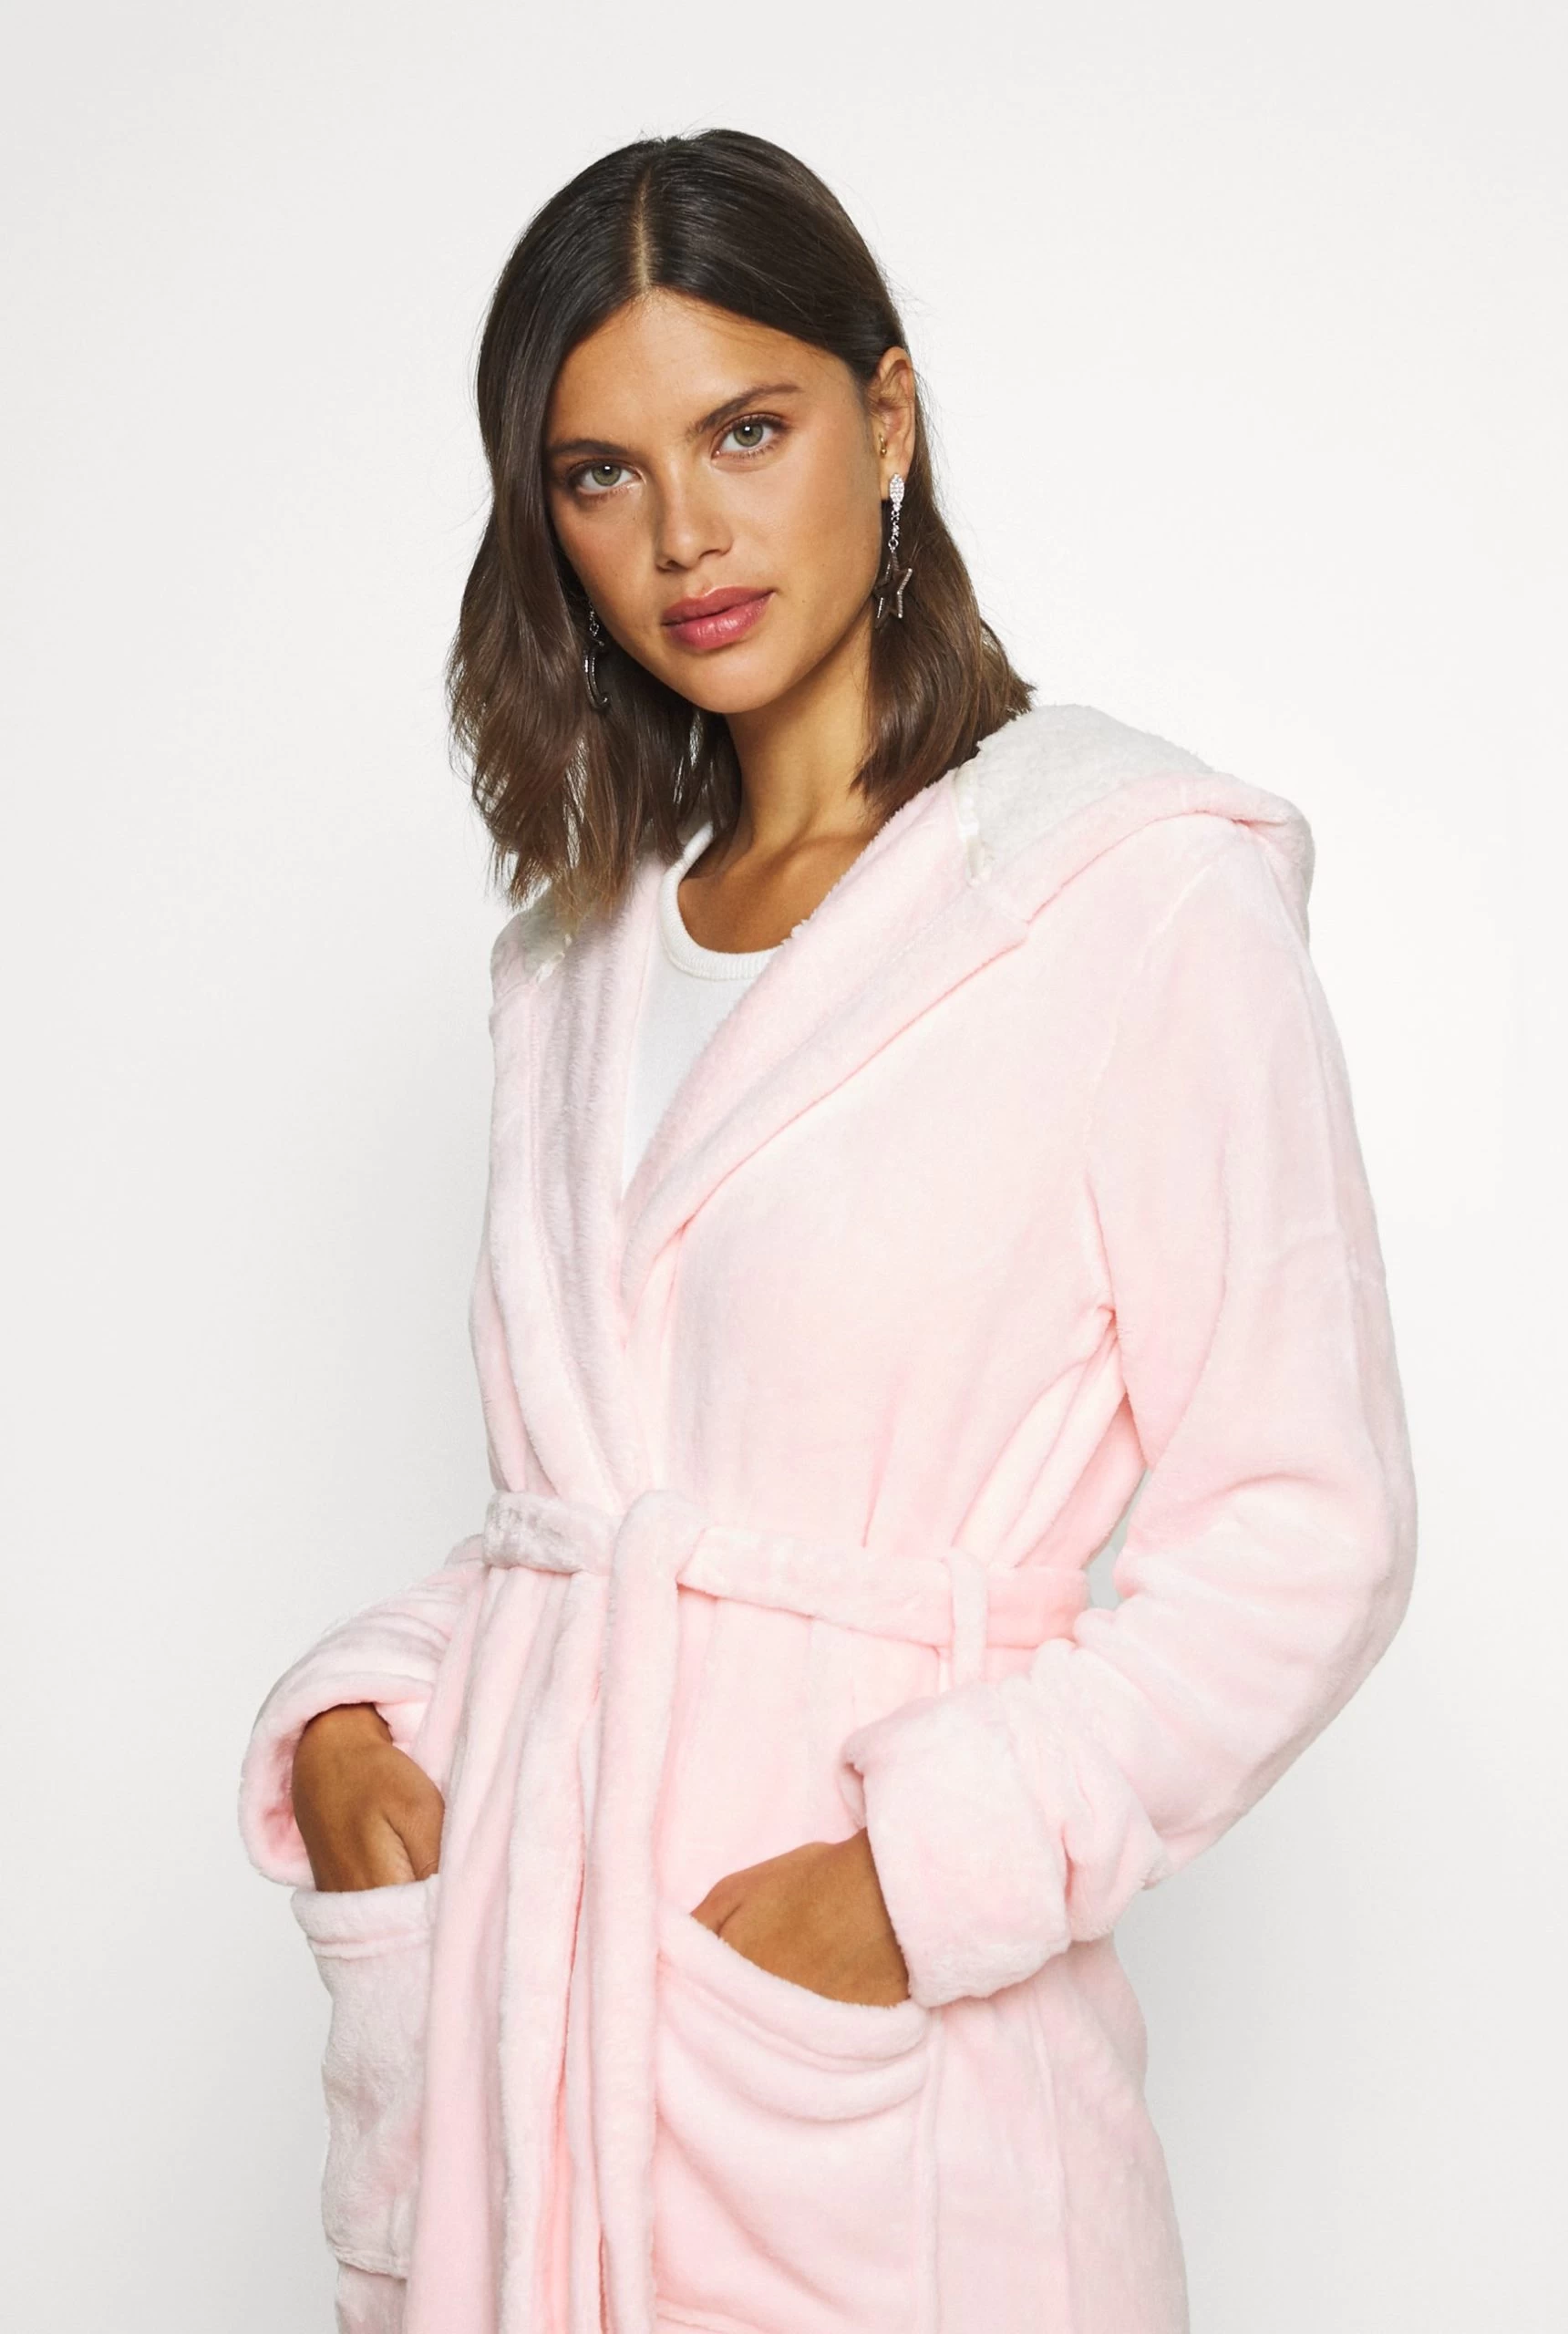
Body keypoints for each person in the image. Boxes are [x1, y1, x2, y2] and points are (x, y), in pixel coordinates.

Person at [239, 128, 1418, 2334]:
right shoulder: (569, 963)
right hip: (523, 2048)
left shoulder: (1120, 893)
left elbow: (1304, 1527)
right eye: (600, 474)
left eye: (746, 431)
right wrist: (362, 1721)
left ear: (885, 419)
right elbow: (602, 1509)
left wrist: (918, 1876)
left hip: (862, 2102)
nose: (683, 534)